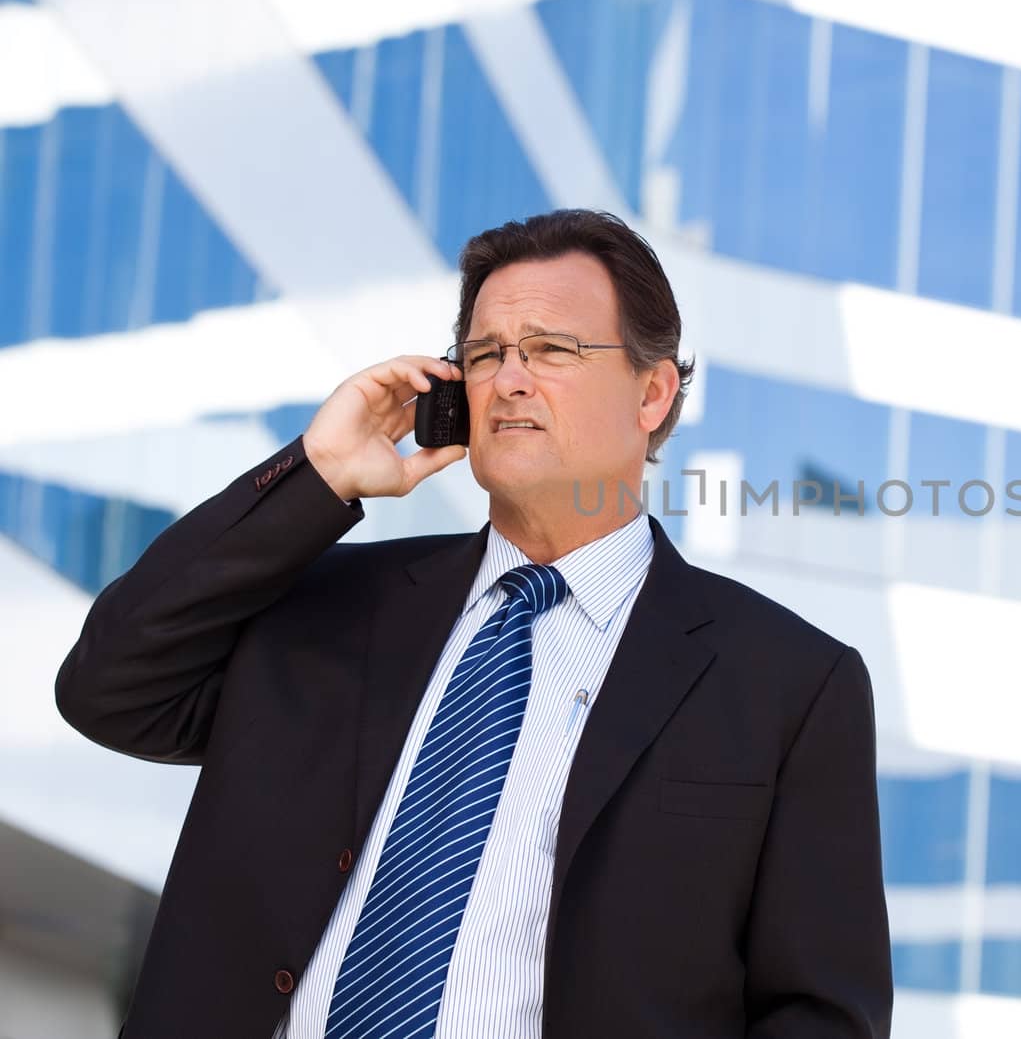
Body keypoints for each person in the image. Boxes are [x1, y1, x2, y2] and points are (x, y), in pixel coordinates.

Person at [56, 209, 893, 1038]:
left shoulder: (788, 685)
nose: (509, 378)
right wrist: (318, 476)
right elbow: (110, 687)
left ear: (654, 390)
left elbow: (819, 1014)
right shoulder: (321, 609)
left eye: (552, 349)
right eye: (486, 353)